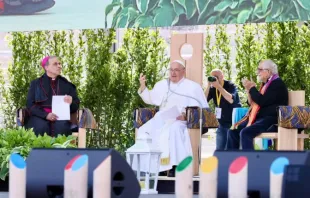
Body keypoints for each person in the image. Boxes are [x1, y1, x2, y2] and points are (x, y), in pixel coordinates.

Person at [134, 60, 209, 177]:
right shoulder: (162, 85)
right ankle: (149, 167)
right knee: (145, 130)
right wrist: (143, 86)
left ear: (183, 71)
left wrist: (185, 115)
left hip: (182, 120)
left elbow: (202, 107)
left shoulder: (193, 87)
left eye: (176, 70)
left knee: (174, 129)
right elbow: (150, 99)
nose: (173, 73)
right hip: (163, 117)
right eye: (171, 70)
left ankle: (176, 166)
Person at [226, 59, 288, 150]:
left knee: (246, 132)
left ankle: (250, 162)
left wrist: (252, 88)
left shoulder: (277, 84)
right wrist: (248, 91)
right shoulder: (266, 84)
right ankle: (231, 161)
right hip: (260, 118)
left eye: (260, 69)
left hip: (271, 119)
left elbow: (262, 101)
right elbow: (252, 103)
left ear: (268, 71)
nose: (257, 72)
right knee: (233, 131)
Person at [25, 56, 80, 136]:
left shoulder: (67, 85)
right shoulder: (36, 84)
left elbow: (76, 106)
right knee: (40, 127)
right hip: (39, 116)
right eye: (55, 64)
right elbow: (30, 104)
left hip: (61, 118)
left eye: (59, 64)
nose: (59, 66)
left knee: (62, 128)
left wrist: (71, 102)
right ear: (46, 67)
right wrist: (46, 115)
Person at [205, 69, 241, 150]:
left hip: (233, 123)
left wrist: (219, 87)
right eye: (212, 77)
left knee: (231, 150)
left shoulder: (230, 85)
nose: (215, 79)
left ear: (222, 77)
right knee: (219, 150)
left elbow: (230, 99)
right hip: (222, 123)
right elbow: (203, 100)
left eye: (216, 77)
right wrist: (208, 86)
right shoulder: (213, 88)